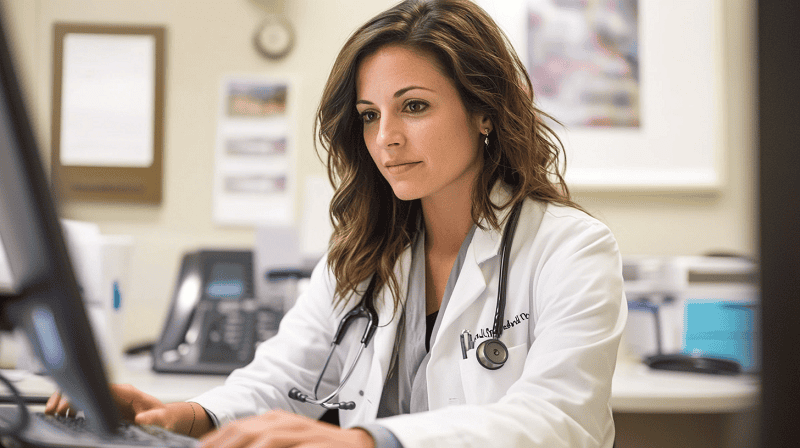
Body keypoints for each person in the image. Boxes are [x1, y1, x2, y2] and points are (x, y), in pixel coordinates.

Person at [46, 0, 626, 447]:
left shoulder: (570, 250)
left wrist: (367, 440)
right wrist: (184, 417)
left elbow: (558, 419)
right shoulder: (365, 252)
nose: (386, 138)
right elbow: (283, 377)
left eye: (415, 106)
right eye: (370, 115)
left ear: (484, 112)